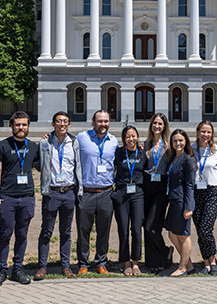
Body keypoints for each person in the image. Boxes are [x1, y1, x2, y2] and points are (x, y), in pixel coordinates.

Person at [0, 111, 40, 287]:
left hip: (27, 197)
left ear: (28, 127)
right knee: (5, 233)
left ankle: (17, 268)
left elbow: (42, 165)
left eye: (24, 125)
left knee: (22, 234)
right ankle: (2, 270)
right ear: (11, 126)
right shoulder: (2, 146)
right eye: (17, 125)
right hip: (7, 198)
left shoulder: (34, 146)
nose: (21, 128)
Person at [34, 111, 79, 280]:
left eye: (65, 121)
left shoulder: (74, 142)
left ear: (69, 124)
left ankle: (65, 266)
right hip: (51, 192)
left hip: (69, 192)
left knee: (66, 232)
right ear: (53, 124)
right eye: (59, 121)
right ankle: (42, 267)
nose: (62, 124)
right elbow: (37, 162)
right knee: (46, 231)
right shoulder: (45, 142)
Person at [75, 110, 118, 275]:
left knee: (103, 230)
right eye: (100, 121)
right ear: (93, 122)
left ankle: (101, 262)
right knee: (83, 230)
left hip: (106, 192)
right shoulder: (81, 138)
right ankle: (83, 264)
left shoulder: (113, 141)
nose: (103, 124)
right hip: (86, 192)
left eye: (106, 121)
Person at [113, 125, 148, 275]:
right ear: (123, 138)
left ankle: (135, 262)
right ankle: (126, 262)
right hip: (121, 193)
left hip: (137, 194)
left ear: (137, 137)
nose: (131, 139)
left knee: (136, 229)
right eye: (128, 136)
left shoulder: (142, 153)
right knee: (123, 229)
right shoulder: (118, 153)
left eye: (133, 136)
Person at [190, 120, 217, 275]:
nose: (205, 135)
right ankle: (207, 263)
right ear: (197, 132)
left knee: (206, 229)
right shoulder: (191, 149)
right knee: (200, 230)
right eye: (203, 131)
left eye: (208, 132)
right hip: (196, 193)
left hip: (212, 192)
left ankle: (213, 260)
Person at [143, 113, 174, 273]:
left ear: (164, 126)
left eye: (160, 124)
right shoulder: (146, 144)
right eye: (154, 123)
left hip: (161, 188)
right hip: (147, 186)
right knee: (145, 226)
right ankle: (152, 262)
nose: (157, 126)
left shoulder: (169, 145)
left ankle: (165, 252)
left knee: (152, 227)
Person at [164, 129, 197, 276]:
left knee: (184, 235)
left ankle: (182, 268)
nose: (178, 143)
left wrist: (189, 207)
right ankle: (188, 265)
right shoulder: (174, 158)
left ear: (186, 142)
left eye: (181, 140)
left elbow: (190, 185)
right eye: (175, 141)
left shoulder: (188, 159)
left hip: (182, 201)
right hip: (173, 200)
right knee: (172, 234)